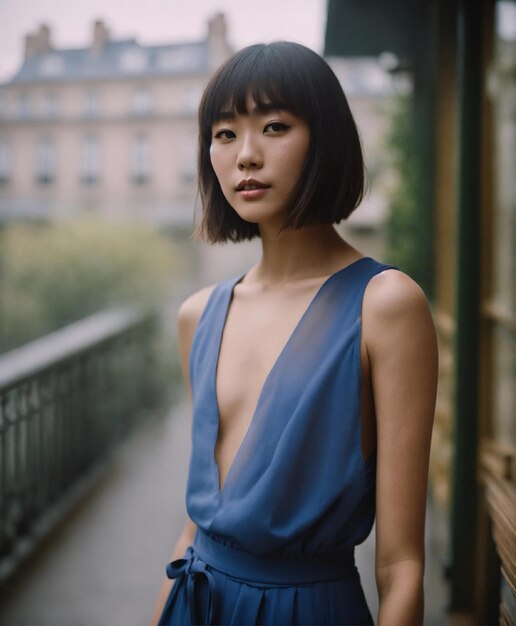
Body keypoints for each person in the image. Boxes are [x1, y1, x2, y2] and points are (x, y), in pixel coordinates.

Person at [151, 41, 438, 626]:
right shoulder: (198, 315)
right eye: (225, 134)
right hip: (195, 606)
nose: (246, 156)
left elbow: (402, 566)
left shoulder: (385, 306)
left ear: (325, 139)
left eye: (275, 126)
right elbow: (194, 529)